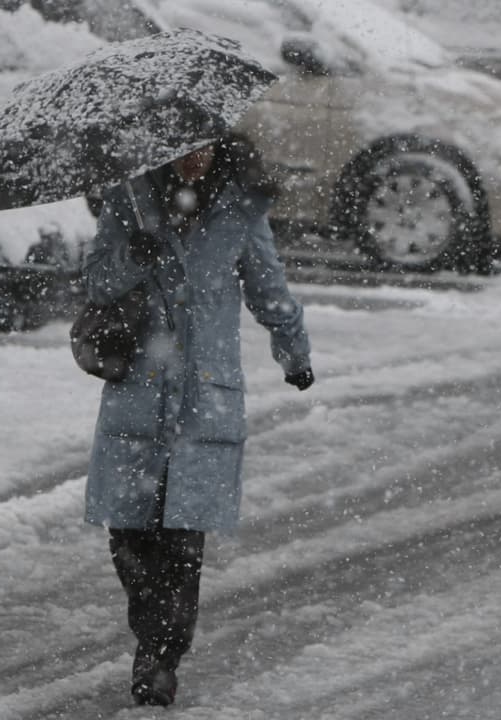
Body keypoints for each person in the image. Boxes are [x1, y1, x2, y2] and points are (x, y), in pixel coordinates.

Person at [82, 134, 313, 706]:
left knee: (183, 540)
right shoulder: (130, 199)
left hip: (204, 395)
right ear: (161, 148)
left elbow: (268, 287)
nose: (194, 158)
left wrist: (295, 351)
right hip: (139, 391)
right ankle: (152, 634)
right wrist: (134, 255)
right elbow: (95, 283)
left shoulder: (240, 207)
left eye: (205, 147)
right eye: (185, 147)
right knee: (131, 537)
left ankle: (160, 657)